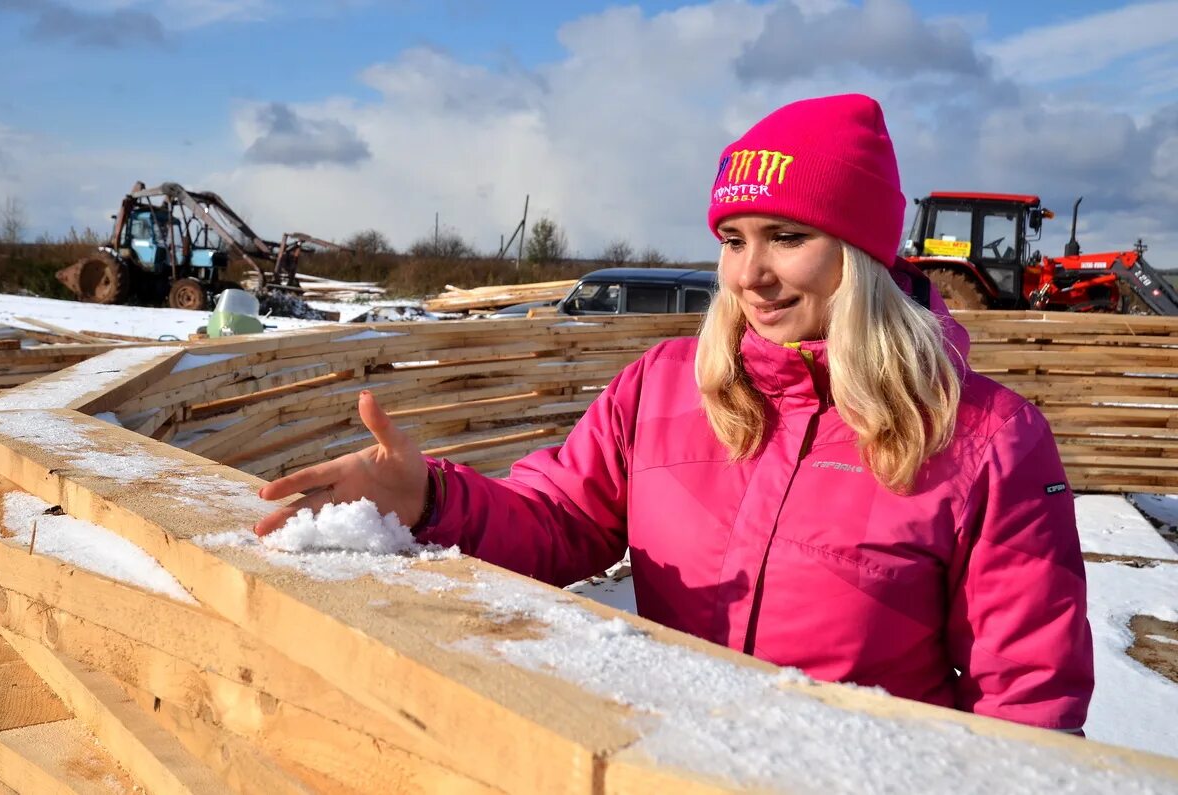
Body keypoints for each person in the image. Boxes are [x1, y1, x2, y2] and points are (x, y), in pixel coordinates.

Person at [255, 94, 1093, 732]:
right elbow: (557, 519)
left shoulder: (986, 441)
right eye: (732, 239)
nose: (748, 274)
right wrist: (430, 500)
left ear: (864, 251)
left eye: (786, 237)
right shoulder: (663, 389)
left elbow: (1026, 699)